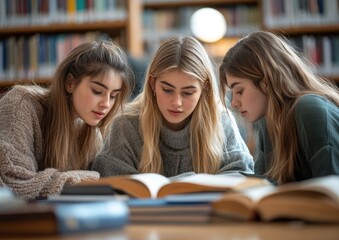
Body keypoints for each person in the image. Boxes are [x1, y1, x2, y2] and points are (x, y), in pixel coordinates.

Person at [91, 35, 253, 178]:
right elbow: (111, 182)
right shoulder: (125, 125)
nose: (177, 102)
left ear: (205, 88)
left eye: (188, 92)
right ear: (153, 83)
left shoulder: (221, 121)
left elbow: (242, 173)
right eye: (167, 90)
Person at [0, 40, 134, 199]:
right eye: (97, 91)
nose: (106, 104)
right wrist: (92, 178)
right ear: (70, 83)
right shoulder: (20, 104)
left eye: (113, 96)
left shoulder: (92, 135)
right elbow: (15, 185)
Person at [219, 31, 339, 184]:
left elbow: (332, 194)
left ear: (266, 82)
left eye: (239, 91)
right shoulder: (267, 120)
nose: (234, 103)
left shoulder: (310, 109)